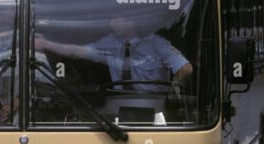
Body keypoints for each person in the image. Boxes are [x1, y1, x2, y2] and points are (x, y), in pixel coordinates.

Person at [35, 16, 192, 92]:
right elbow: (79, 51)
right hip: (118, 103)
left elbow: (186, 68)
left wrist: (173, 89)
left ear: (131, 21)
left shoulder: (157, 43)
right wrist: (47, 44)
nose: (111, 23)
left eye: (117, 19)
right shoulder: (110, 42)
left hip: (154, 104)